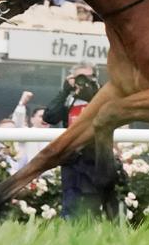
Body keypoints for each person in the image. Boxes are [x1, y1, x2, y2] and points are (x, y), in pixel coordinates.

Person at [42, 63, 103, 218]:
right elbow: (49, 117)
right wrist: (65, 90)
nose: (83, 81)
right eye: (79, 78)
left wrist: (96, 88)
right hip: (72, 158)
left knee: (93, 204)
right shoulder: (69, 99)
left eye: (89, 77)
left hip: (96, 156)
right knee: (70, 203)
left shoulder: (102, 97)